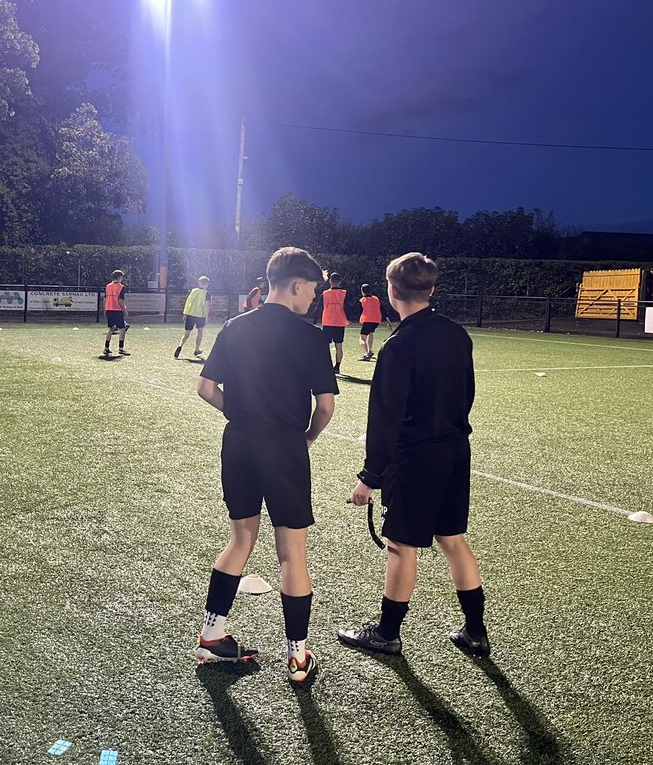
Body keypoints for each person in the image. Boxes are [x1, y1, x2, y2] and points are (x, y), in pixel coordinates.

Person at [192, 247, 338, 685]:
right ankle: (297, 658)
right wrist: (306, 437)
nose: (313, 297)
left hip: (238, 442)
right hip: (284, 446)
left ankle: (211, 636)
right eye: (312, 289)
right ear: (296, 285)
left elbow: (204, 388)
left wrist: (238, 414)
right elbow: (326, 407)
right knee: (292, 552)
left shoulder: (235, 326)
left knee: (240, 540)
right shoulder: (311, 337)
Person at [338, 253, 489, 657]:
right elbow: (467, 395)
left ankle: (387, 633)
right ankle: (475, 631)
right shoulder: (458, 335)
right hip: (456, 449)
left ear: (391, 291)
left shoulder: (399, 346)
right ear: (432, 289)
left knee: (401, 545)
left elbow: (386, 418)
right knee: (453, 539)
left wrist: (370, 477)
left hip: (418, 457)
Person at [175, 275, 211, 360]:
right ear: (207, 284)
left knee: (186, 334)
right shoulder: (207, 293)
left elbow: (188, 302)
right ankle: (197, 349)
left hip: (190, 314)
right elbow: (207, 305)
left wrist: (185, 313)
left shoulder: (193, 291)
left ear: (199, 283)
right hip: (200, 315)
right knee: (200, 332)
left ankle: (180, 345)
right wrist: (207, 316)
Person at [321, 272, 350, 374]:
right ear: (340, 281)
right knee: (339, 346)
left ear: (330, 281)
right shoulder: (344, 293)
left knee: (326, 346)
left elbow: (319, 307)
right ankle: (337, 367)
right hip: (339, 322)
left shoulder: (325, 293)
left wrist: (315, 319)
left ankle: (326, 365)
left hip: (327, 321)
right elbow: (347, 307)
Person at [358, 283, 391, 361]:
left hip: (367, 320)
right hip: (376, 320)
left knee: (362, 338)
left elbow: (360, 311)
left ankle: (366, 354)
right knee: (371, 333)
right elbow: (382, 309)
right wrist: (388, 320)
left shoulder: (362, 300)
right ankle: (370, 351)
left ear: (362, 291)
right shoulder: (376, 299)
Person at [102, 270, 130, 358]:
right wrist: (125, 310)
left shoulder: (108, 286)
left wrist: (104, 309)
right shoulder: (121, 287)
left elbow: (105, 299)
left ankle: (106, 348)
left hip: (109, 309)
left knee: (110, 329)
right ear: (119, 277)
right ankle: (121, 349)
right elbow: (121, 301)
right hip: (117, 309)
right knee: (122, 329)